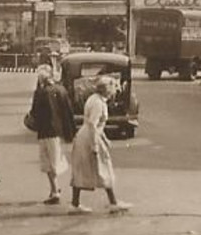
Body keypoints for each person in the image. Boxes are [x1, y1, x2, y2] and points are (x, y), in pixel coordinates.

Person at [69, 74, 130, 214]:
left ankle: (75, 204)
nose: (116, 91)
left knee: (81, 170)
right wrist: (95, 145)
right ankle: (113, 202)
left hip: (85, 137)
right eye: (114, 87)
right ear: (107, 90)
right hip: (90, 138)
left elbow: (95, 125)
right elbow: (92, 124)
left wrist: (105, 138)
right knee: (104, 167)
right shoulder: (98, 103)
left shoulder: (95, 99)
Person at [29, 64, 76, 205]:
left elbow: (34, 113)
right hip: (58, 131)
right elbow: (68, 112)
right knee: (54, 161)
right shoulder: (61, 90)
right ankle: (55, 189)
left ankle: (55, 190)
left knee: (49, 162)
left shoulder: (40, 93)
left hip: (45, 132)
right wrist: (70, 133)